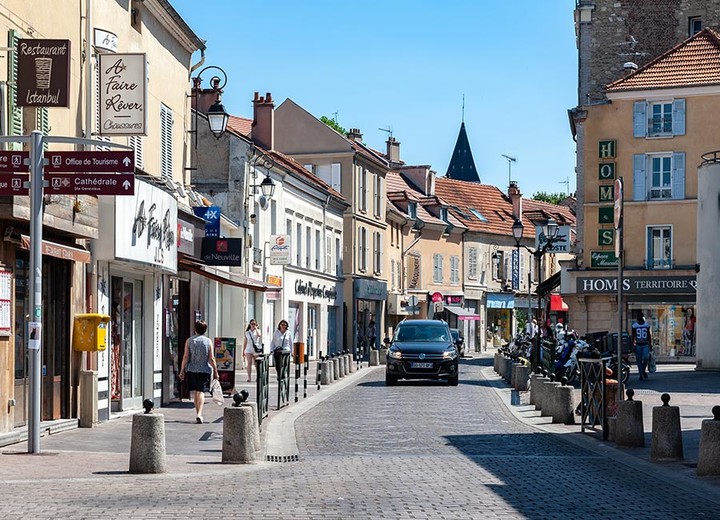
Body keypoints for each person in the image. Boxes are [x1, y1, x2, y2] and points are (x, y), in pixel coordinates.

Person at [179, 320, 218, 424]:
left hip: (192, 369)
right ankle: (199, 414)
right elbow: (211, 358)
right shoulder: (208, 341)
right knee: (200, 391)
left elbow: (186, 356)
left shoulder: (189, 341)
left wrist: (182, 369)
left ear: (195, 329)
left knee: (196, 392)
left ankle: (198, 413)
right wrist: (216, 370)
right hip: (205, 369)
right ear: (205, 330)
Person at [631, 312, 652, 380]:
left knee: (646, 358)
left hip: (645, 344)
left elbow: (649, 335)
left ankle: (642, 370)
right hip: (638, 344)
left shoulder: (646, 325)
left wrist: (650, 344)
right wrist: (632, 344)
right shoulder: (634, 326)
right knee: (639, 360)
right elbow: (633, 336)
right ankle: (641, 374)